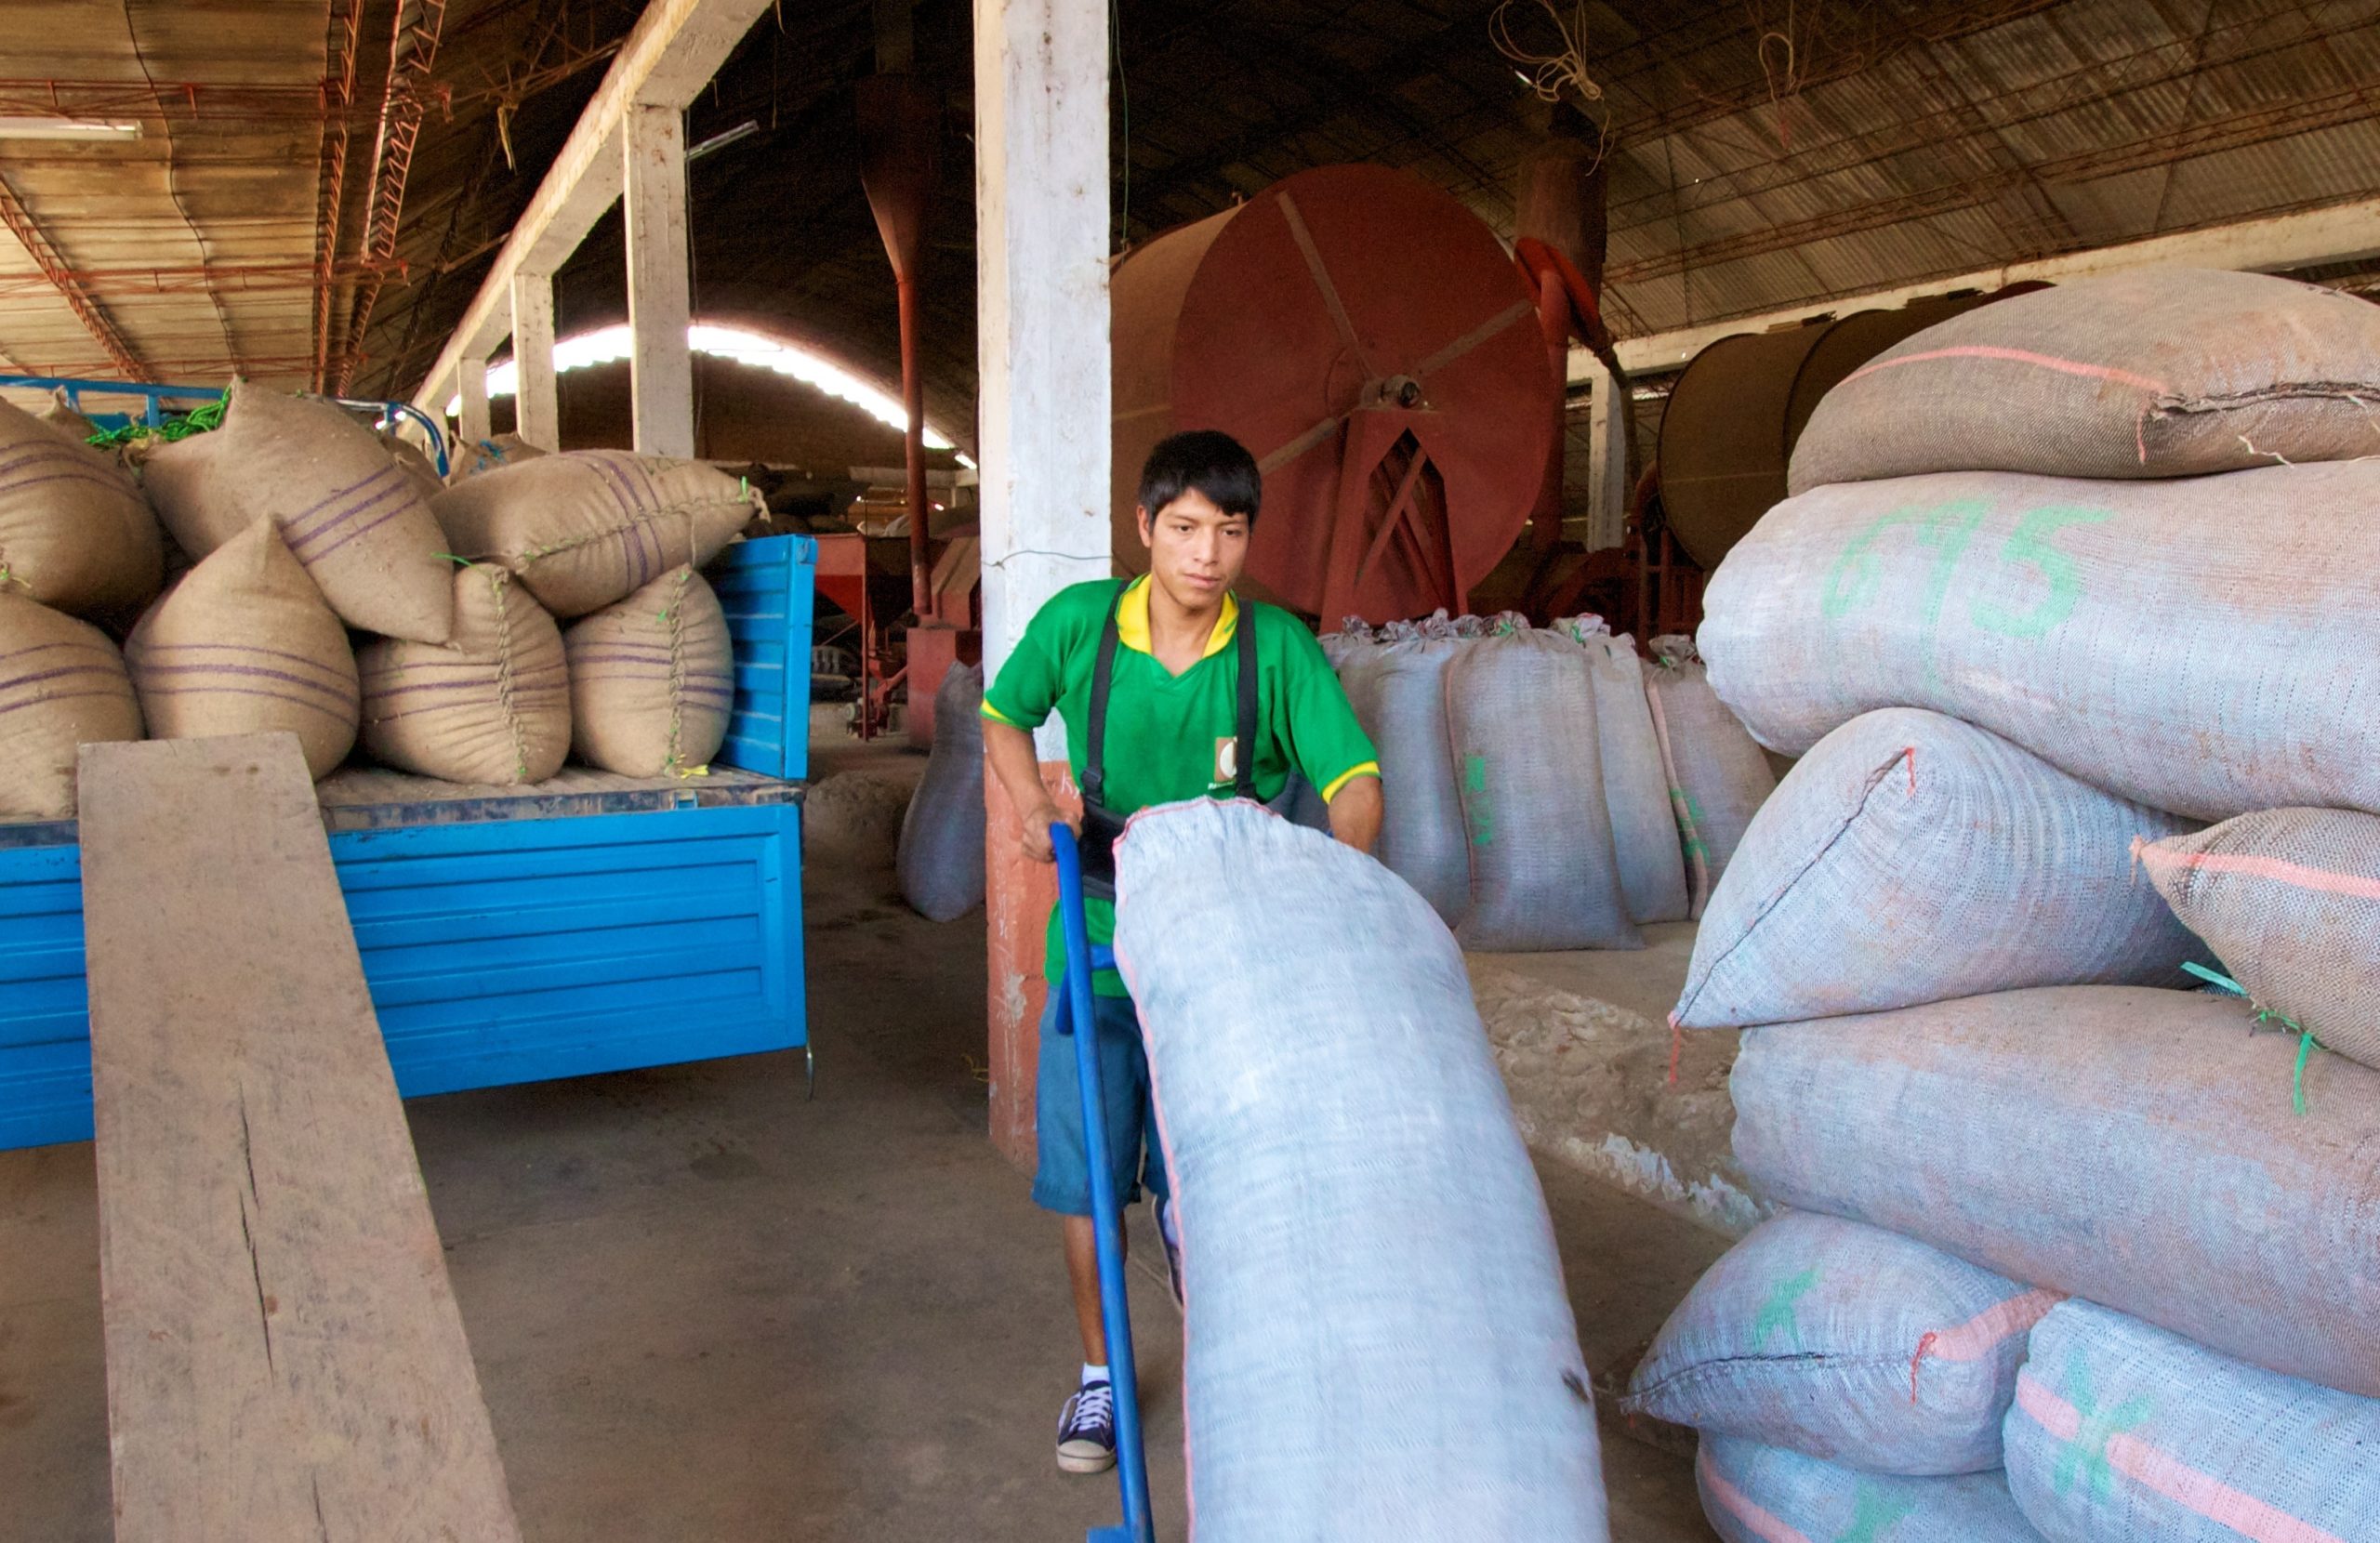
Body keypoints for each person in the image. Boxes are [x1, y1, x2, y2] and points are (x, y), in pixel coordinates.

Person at [980, 429, 1383, 1475]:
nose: (1208, 554)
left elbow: (1353, 785)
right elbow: (1001, 716)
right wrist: (1032, 807)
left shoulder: (1275, 649)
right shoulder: (1080, 628)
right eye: (1188, 528)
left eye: (1231, 531)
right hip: (1103, 940)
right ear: (1146, 528)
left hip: (1233, 957)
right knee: (1087, 1178)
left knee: (1220, 1174)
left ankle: (1230, 1362)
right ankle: (1100, 1380)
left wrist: (1340, 887)